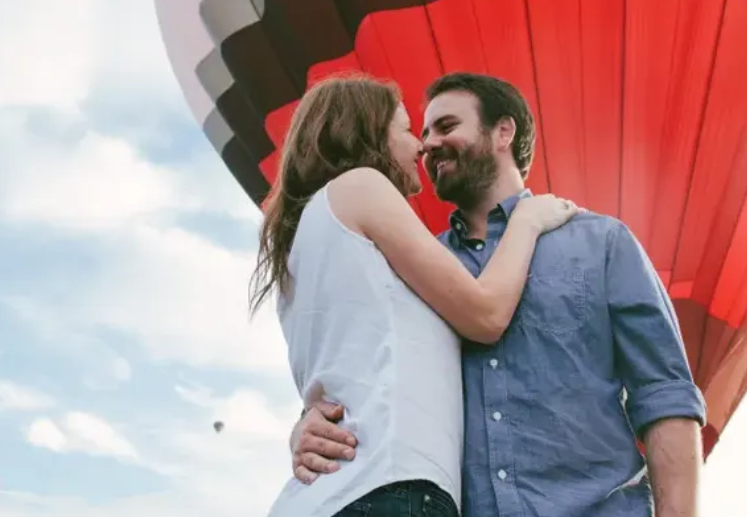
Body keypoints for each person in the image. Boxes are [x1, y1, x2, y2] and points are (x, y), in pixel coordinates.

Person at [289, 73, 708, 517]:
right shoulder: (409, 263)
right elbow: (365, 359)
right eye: (421, 131)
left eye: (446, 126)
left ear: (503, 132)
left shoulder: (601, 243)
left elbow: (664, 395)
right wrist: (306, 425)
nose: (428, 143)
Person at [251, 75, 581, 517]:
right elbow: (485, 313)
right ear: (367, 133)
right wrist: (526, 220)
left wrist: (301, 426)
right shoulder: (362, 186)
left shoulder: (302, 238)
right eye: (408, 129)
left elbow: (349, 369)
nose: (421, 146)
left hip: (330, 495)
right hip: (388, 490)